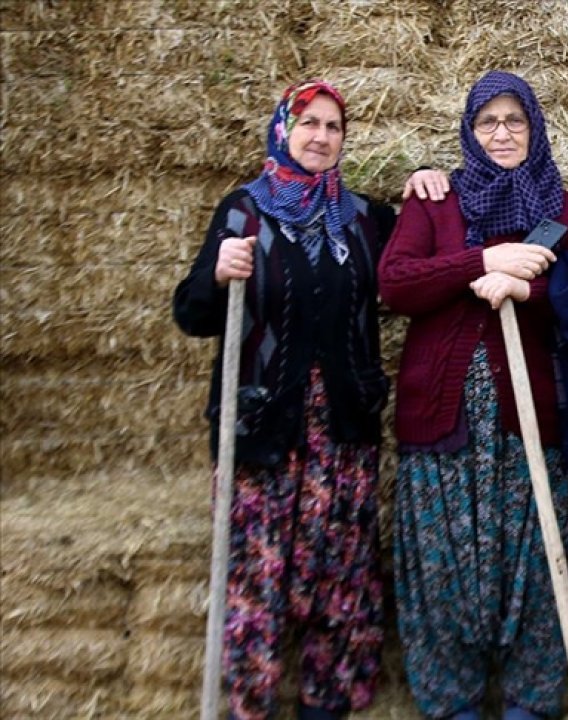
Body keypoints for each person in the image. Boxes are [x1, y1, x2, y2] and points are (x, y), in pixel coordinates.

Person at [378, 70, 568, 720]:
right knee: (440, 571)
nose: (503, 132)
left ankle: (528, 704)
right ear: (471, 131)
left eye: (516, 121)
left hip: (528, 425)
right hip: (444, 422)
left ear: (535, 128)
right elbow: (396, 283)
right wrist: (481, 263)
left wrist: (529, 288)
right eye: (490, 122)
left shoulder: (562, 209)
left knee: (535, 567)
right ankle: (452, 702)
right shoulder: (435, 203)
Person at [172, 79, 393, 720]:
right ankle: (252, 701)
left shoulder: (363, 216)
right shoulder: (243, 212)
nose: (321, 136)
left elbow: (417, 262)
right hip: (264, 425)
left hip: (342, 427)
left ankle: (327, 700)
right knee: (257, 577)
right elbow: (191, 314)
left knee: (340, 568)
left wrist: (431, 181)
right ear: (283, 131)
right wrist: (217, 274)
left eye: (333, 127)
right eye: (309, 124)